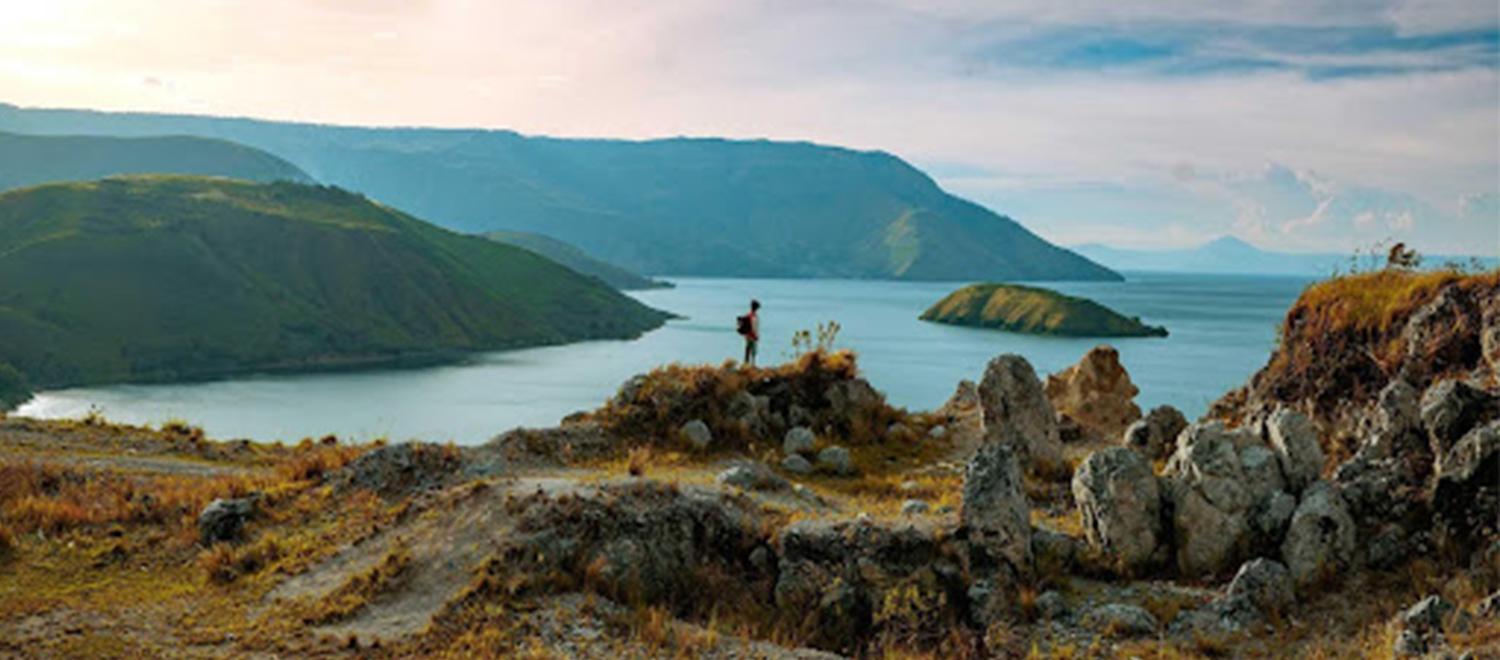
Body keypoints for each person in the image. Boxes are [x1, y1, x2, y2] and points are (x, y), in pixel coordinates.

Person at [739, 299, 761, 366]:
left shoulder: (751, 315)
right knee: (752, 351)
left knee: (749, 350)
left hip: (750, 335)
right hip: (751, 335)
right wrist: (754, 336)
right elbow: (751, 327)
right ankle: (751, 365)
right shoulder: (752, 316)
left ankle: (747, 365)